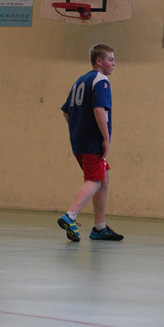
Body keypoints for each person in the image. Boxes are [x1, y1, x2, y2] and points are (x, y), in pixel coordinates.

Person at [57, 43, 124, 242]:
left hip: (78, 140)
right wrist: (105, 138)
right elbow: (99, 109)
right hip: (92, 141)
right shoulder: (101, 80)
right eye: (110, 59)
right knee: (94, 180)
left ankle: (99, 227)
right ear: (99, 61)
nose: (114, 63)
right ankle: (70, 216)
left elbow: (66, 111)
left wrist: (77, 130)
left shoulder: (80, 81)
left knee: (104, 177)